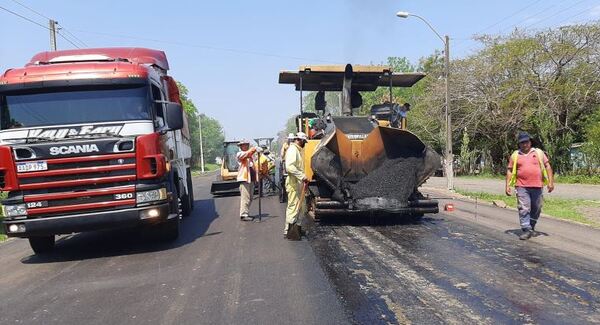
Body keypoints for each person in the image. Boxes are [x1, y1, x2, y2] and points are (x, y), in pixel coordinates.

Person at [505, 132, 555, 240]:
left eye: (526, 142)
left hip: (537, 186)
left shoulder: (538, 153)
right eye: (522, 143)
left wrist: (551, 182)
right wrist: (507, 186)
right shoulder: (515, 155)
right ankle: (526, 229)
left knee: (537, 207)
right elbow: (509, 170)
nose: (524, 144)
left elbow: (547, 166)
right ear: (519, 144)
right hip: (521, 186)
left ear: (530, 142)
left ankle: (531, 225)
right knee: (524, 208)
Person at [284, 132, 309, 239]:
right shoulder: (292, 150)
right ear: (300, 140)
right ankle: (289, 231)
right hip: (293, 184)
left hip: (298, 184)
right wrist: (302, 176)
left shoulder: (297, 150)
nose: (305, 144)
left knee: (302, 207)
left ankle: (297, 228)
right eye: (304, 141)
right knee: (293, 207)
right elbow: (289, 167)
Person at [236, 139, 258, 221]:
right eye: (244, 145)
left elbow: (253, 164)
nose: (246, 146)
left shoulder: (251, 157)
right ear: (241, 146)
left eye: (246, 144)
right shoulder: (240, 154)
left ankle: (246, 212)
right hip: (244, 179)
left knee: (251, 197)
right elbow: (246, 154)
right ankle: (243, 214)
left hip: (251, 179)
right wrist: (254, 149)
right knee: (245, 198)